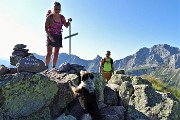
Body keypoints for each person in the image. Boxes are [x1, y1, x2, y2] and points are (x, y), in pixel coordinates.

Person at [45, 1, 72, 71]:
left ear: (60, 9)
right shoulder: (49, 17)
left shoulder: (62, 17)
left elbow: (66, 25)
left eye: (58, 9)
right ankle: (46, 68)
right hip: (50, 35)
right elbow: (45, 27)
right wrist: (49, 36)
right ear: (53, 9)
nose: (57, 11)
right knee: (49, 52)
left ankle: (53, 67)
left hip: (58, 36)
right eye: (56, 9)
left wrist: (68, 22)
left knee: (56, 52)